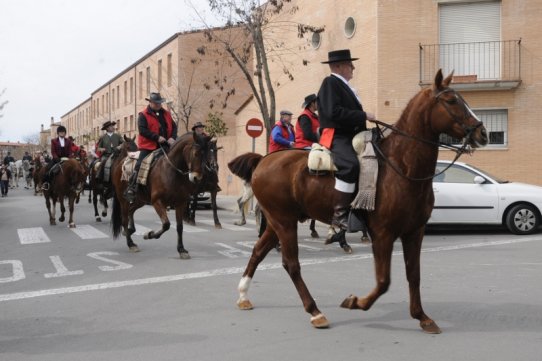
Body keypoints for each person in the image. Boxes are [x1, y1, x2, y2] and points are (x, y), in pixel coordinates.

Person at [317, 49, 376, 232]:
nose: (353, 68)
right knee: (351, 165)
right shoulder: (330, 83)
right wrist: (363, 115)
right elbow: (332, 113)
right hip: (336, 135)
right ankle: (339, 215)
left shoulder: (345, 86)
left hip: (351, 135)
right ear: (339, 66)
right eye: (350, 65)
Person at [124, 92, 178, 203]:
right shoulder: (143, 115)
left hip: (166, 144)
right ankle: (132, 188)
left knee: (178, 160)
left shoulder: (166, 113)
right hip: (148, 146)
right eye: (156, 103)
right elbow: (142, 130)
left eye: (160, 103)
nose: (159, 105)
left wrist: (172, 137)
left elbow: (174, 126)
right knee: (139, 164)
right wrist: (156, 137)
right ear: (150, 102)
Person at [41, 125, 74, 190]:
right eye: (60, 132)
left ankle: (76, 184)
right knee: (48, 169)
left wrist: (69, 158)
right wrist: (56, 158)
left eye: (63, 132)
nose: (62, 133)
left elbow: (70, 151)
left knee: (76, 168)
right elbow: (53, 151)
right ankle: (46, 183)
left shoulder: (69, 141)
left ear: (65, 133)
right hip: (57, 159)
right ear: (58, 133)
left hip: (67, 159)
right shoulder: (54, 141)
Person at [96, 120, 124, 195]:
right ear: (107, 128)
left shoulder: (117, 135)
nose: (113, 127)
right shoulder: (103, 137)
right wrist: (102, 149)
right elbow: (98, 148)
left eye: (113, 126)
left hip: (116, 155)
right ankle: (102, 181)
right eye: (111, 126)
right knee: (102, 164)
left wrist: (119, 146)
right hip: (106, 155)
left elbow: (124, 143)